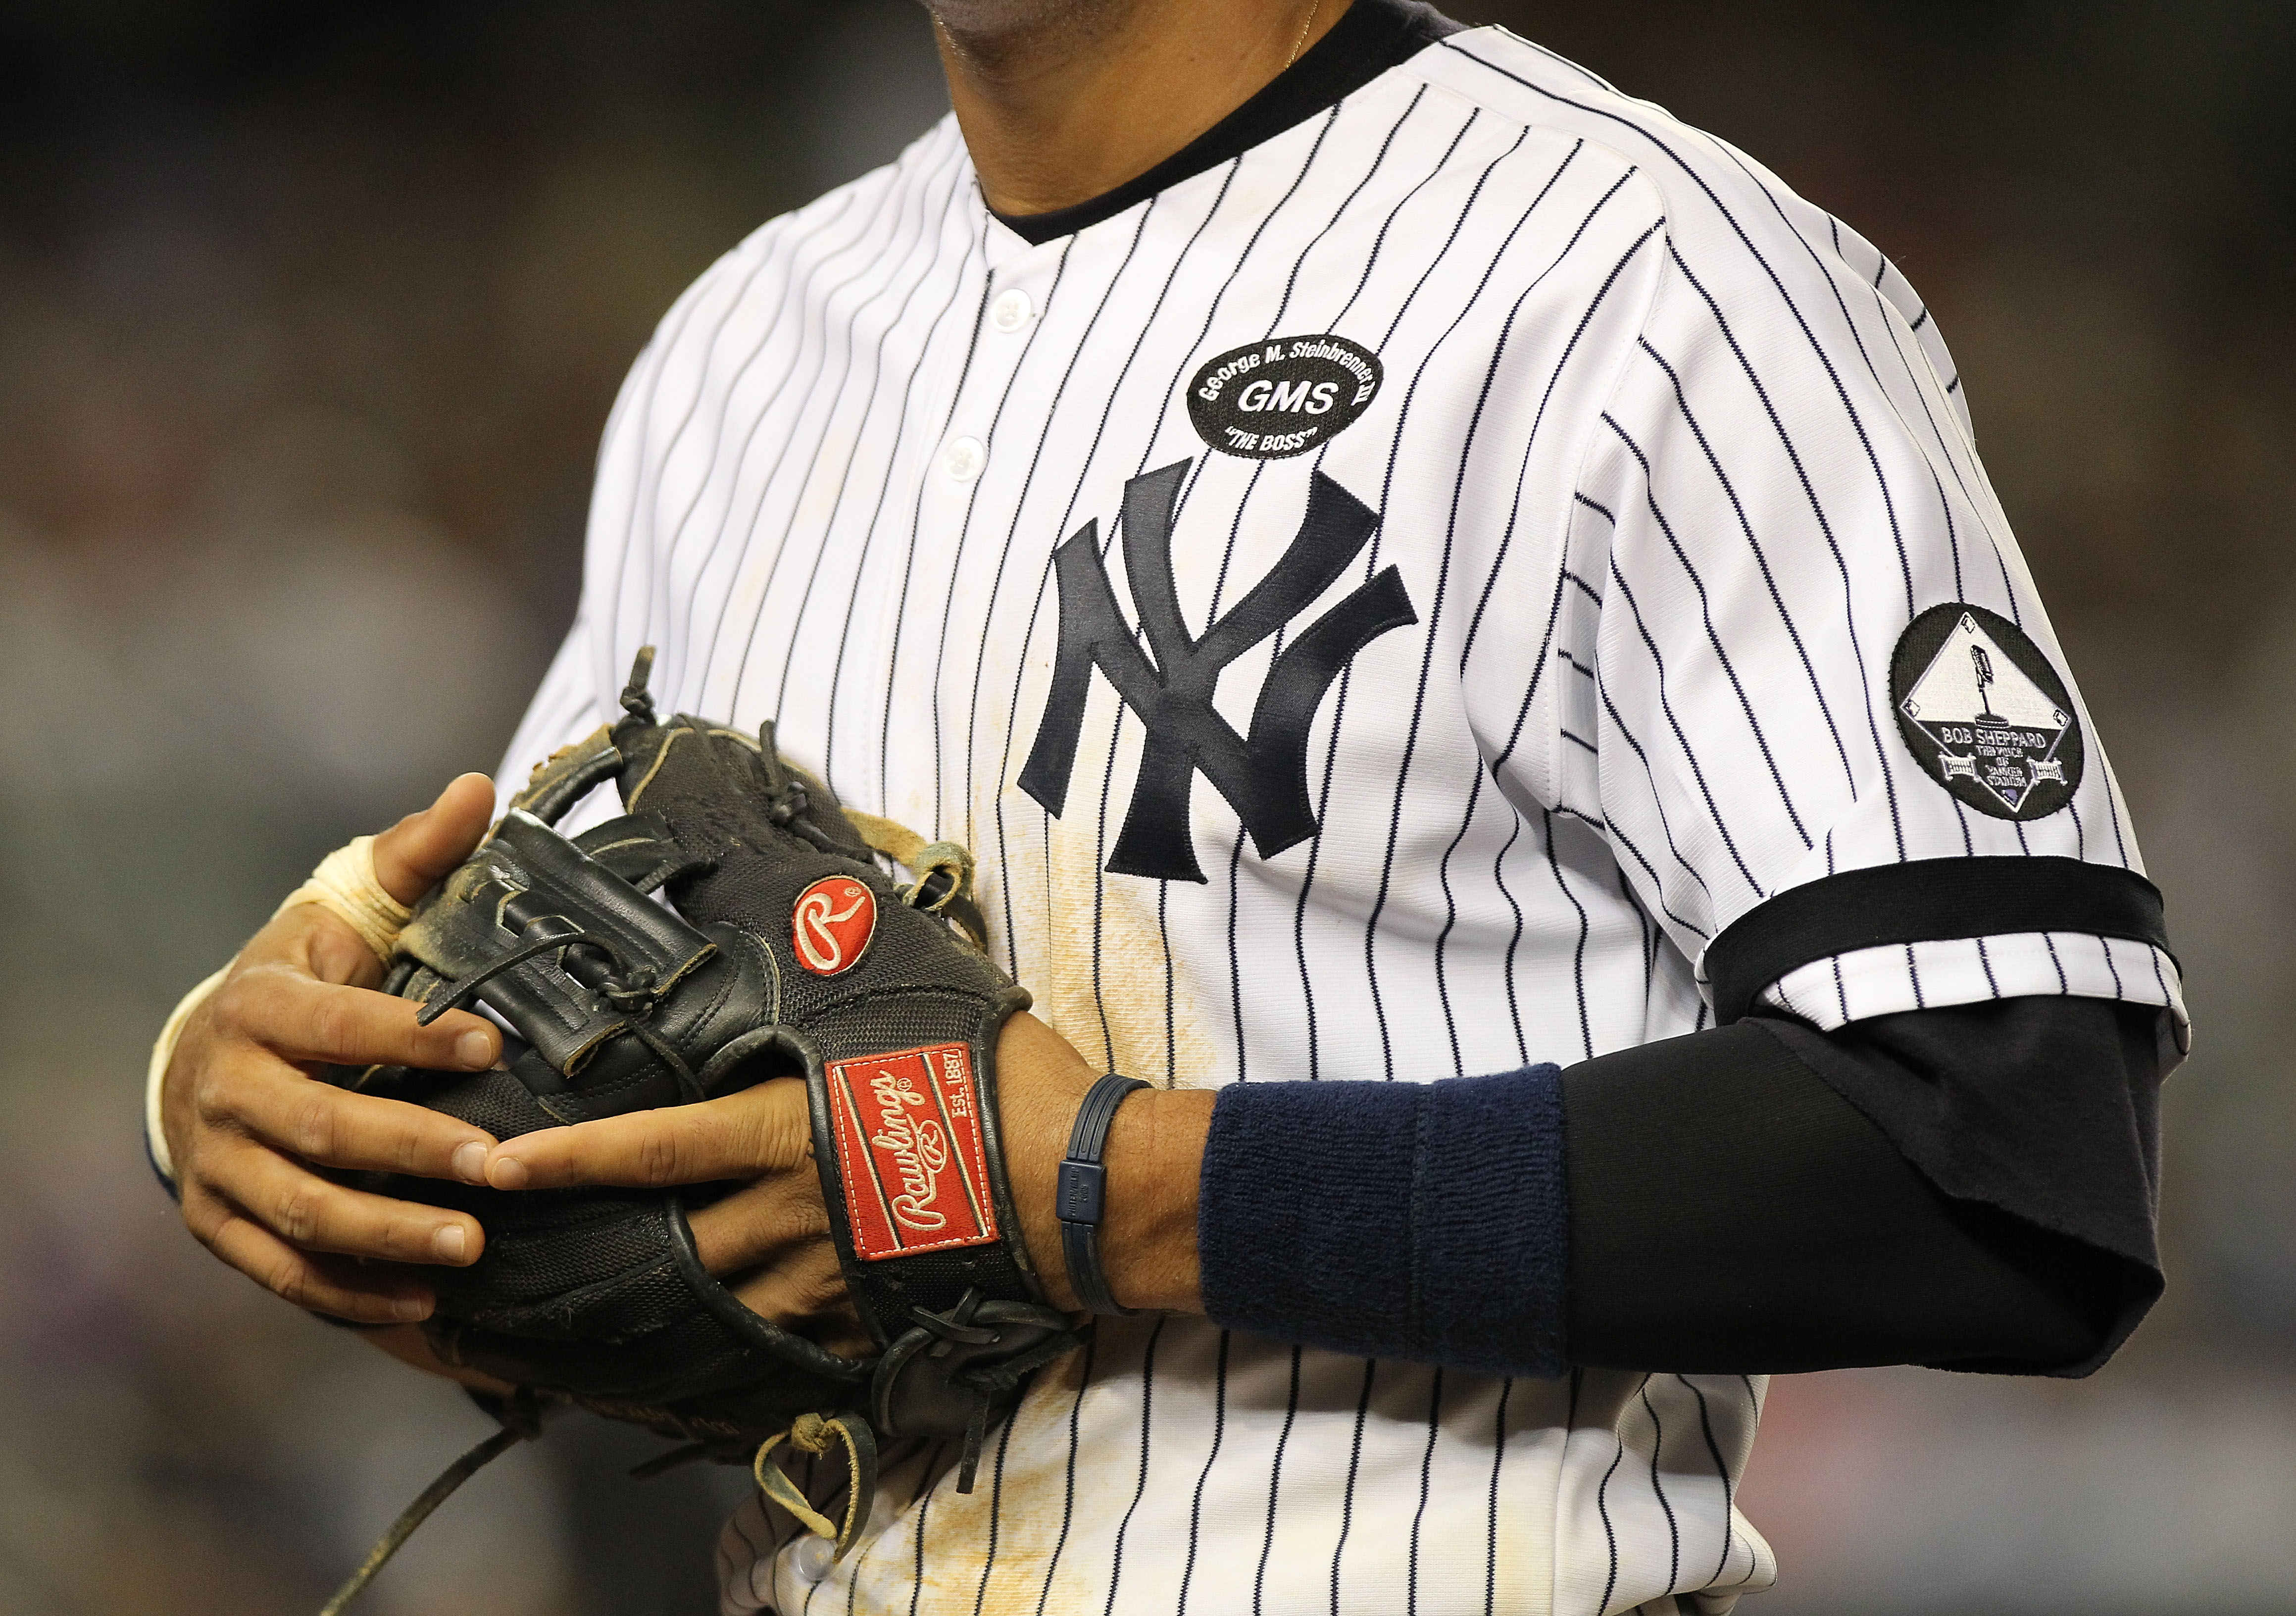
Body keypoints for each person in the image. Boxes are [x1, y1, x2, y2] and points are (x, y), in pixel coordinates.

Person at [148, 1, 2183, 1611]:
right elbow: (621, 1166)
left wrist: (1097, 1187)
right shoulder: (738, 349)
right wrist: (266, 1115)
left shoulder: (1651, 276)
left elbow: (1996, 1155)